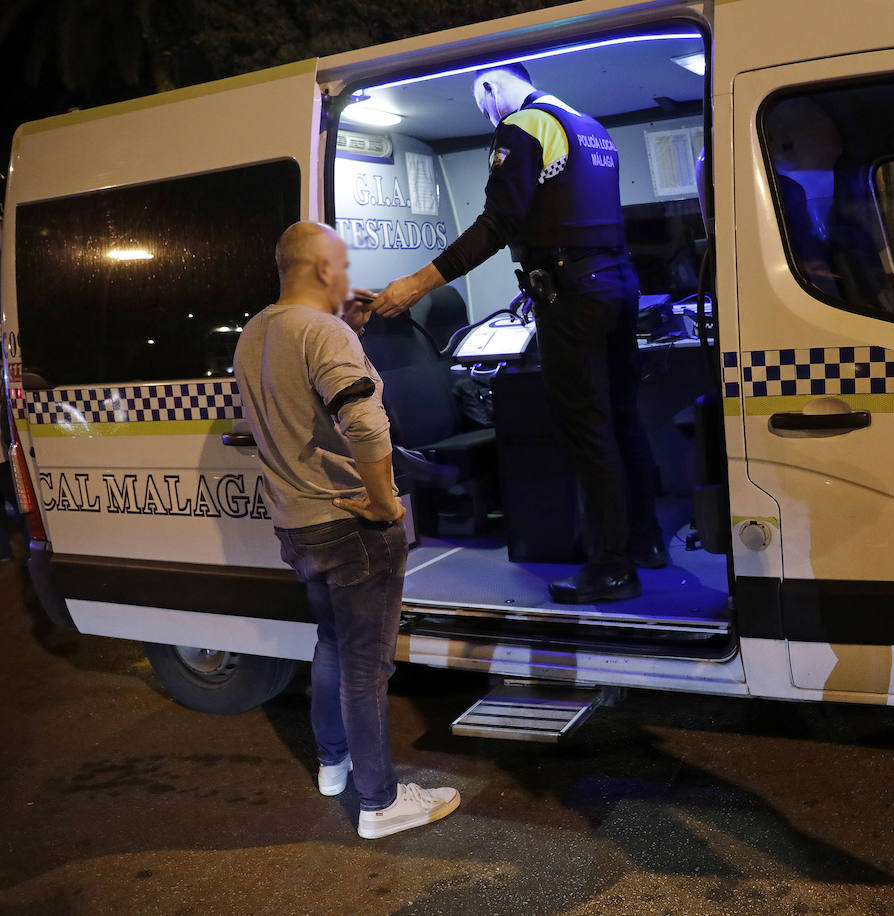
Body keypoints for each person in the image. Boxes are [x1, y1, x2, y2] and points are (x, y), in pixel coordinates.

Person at [367, 63, 665, 604]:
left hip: (574, 301)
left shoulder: (524, 124)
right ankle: (644, 545)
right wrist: (537, 276)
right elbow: (573, 217)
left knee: (588, 431)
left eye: (482, 104)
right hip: (616, 286)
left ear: (489, 87)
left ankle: (610, 568)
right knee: (623, 421)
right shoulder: (589, 128)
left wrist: (418, 283)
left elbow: (496, 222)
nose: (486, 117)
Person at [234, 221, 461, 839]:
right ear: (323, 271)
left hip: (298, 525)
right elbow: (364, 423)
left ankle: (333, 764)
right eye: (343, 264)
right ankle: (381, 802)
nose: (349, 277)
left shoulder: (258, 331)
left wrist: (348, 331)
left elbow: (295, 402)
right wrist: (386, 502)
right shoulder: (323, 332)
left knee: (332, 645)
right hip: (350, 523)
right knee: (368, 667)